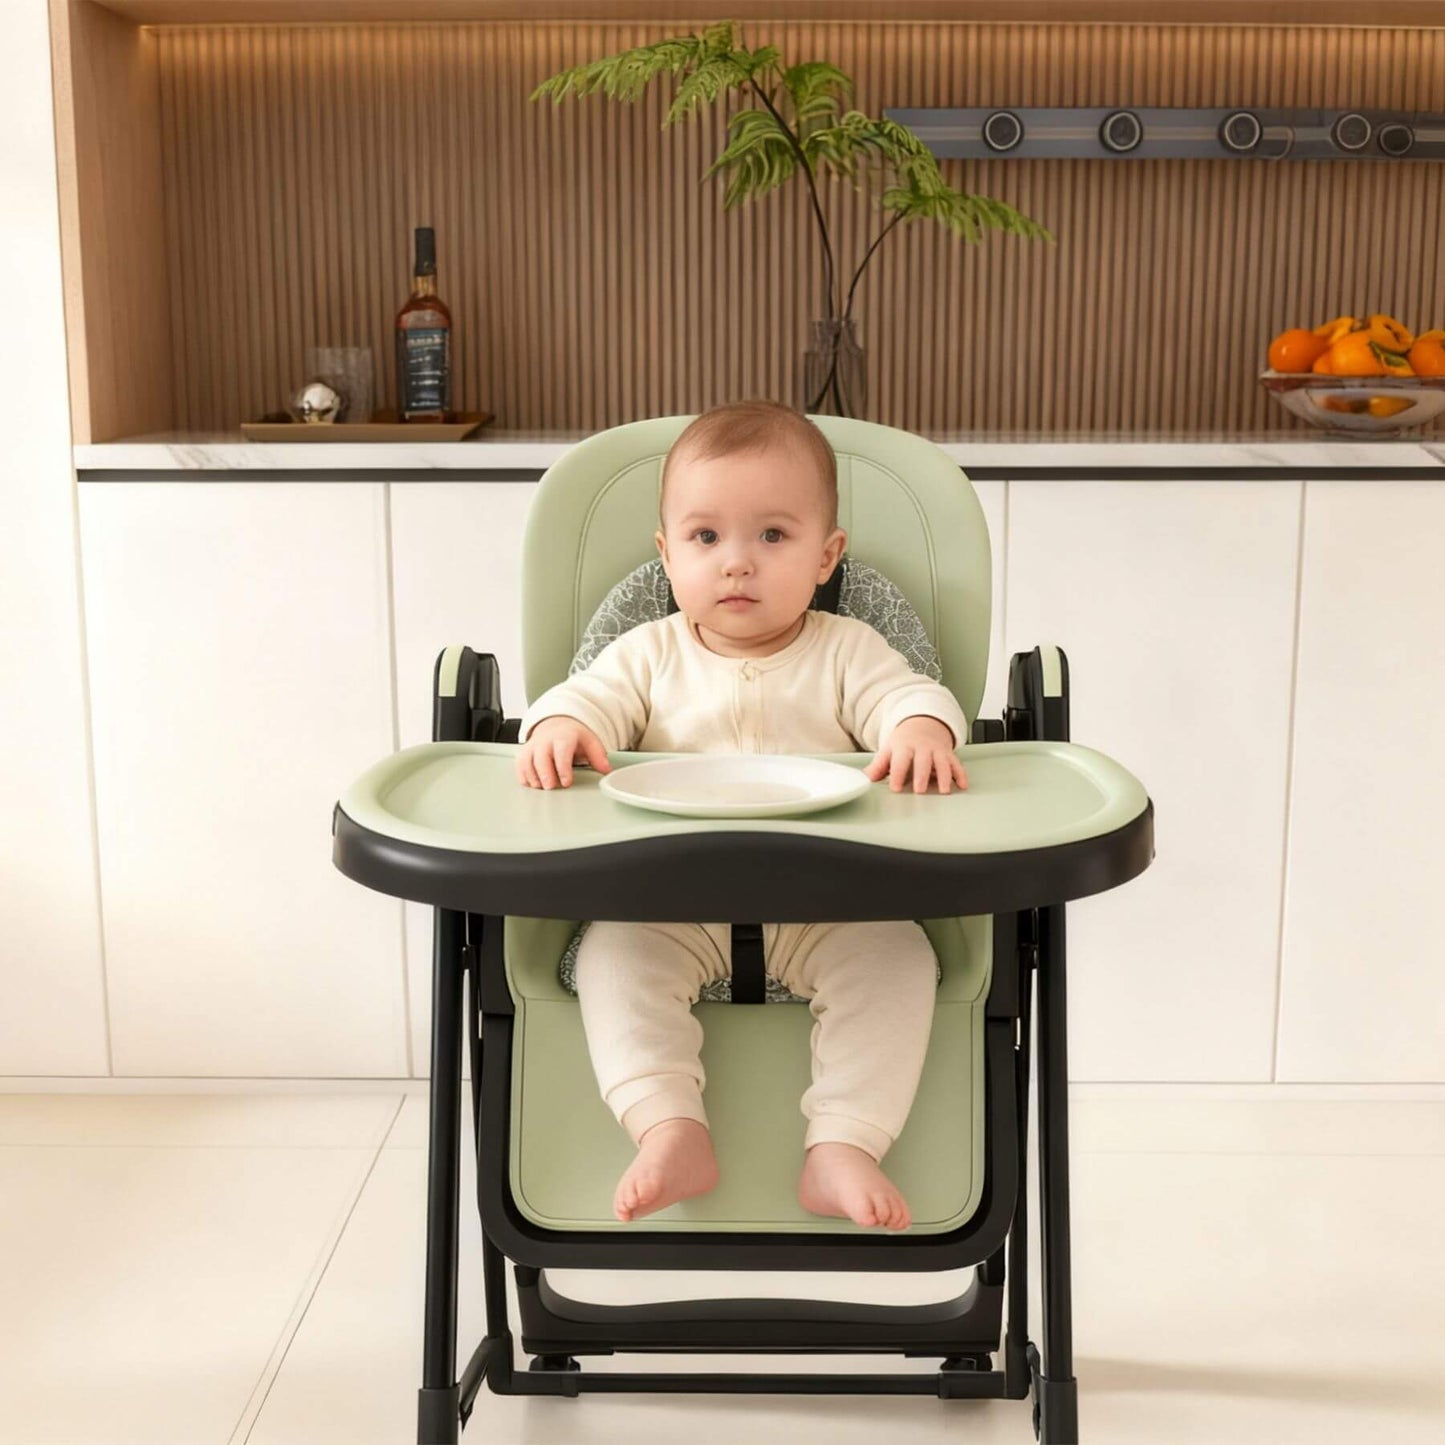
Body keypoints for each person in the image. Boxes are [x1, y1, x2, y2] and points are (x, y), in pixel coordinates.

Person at [515, 400, 969, 1231]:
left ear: (827, 556)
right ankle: (666, 1127)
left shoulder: (844, 650)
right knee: (611, 958)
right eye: (705, 537)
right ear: (665, 555)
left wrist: (918, 728)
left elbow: (908, 693)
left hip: (831, 907)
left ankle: (843, 1143)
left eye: (772, 536)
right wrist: (559, 727)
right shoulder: (647, 655)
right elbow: (583, 699)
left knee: (899, 958)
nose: (737, 564)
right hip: (664, 907)